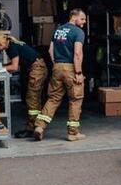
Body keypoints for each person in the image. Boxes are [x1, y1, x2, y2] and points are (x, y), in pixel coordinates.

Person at [34, 8, 87, 142]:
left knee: (53, 98)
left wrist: (56, 65)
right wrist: (79, 72)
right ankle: (73, 133)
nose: (84, 22)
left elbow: (50, 50)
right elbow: (77, 54)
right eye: (82, 19)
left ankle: (39, 126)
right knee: (75, 99)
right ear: (74, 17)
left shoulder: (58, 30)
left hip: (57, 66)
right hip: (71, 67)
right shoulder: (78, 32)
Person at [0, 32, 48, 138]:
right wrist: (1, 66)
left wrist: (0, 68)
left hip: (37, 69)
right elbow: (13, 65)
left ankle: (33, 128)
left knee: (32, 99)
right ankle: (33, 127)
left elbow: (14, 67)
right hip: (38, 68)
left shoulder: (11, 48)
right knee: (34, 99)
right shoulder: (12, 44)